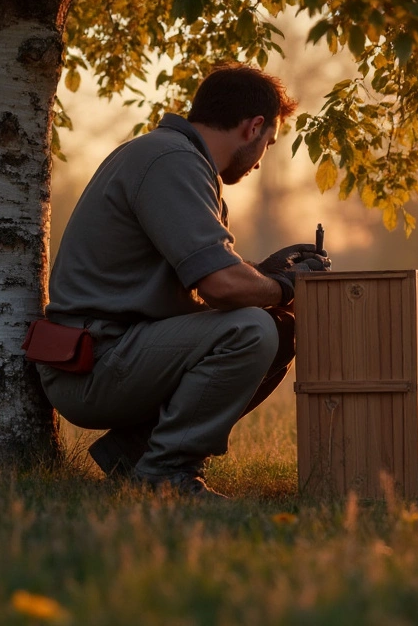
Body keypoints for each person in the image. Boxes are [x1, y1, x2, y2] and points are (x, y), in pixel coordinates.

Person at [36, 64, 329, 498]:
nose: (262, 157)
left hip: (116, 349)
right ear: (253, 128)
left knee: (280, 328)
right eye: (268, 142)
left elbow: (205, 282)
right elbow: (221, 288)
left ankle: (135, 454)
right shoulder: (172, 162)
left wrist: (265, 273)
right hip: (92, 363)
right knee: (252, 330)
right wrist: (288, 286)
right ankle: (166, 473)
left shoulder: (176, 159)